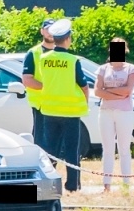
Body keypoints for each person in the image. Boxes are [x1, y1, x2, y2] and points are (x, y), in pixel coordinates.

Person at [23, 18, 87, 193]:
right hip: (63, 110)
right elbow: (83, 85)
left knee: (49, 149)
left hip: (49, 108)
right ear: (68, 39)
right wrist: (84, 102)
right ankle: (72, 185)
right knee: (69, 149)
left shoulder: (43, 58)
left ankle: (47, 184)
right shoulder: (71, 59)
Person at [93, 37, 134, 191]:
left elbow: (127, 90)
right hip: (106, 112)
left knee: (124, 148)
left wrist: (107, 92)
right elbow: (97, 91)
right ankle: (106, 185)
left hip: (124, 112)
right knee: (107, 149)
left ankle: (126, 184)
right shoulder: (103, 69)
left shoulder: (131, 69)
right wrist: (116, 94)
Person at [20, 18, 58, 148]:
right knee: (42, 141)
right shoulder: (33, 53)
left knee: (56, 142)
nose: (50, 33)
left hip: (60, 104)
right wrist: (48, 88)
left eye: (53, 30)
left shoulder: (61, 53)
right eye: (47, 29)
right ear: (42, 31)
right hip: (41, 105)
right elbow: (27, 79)